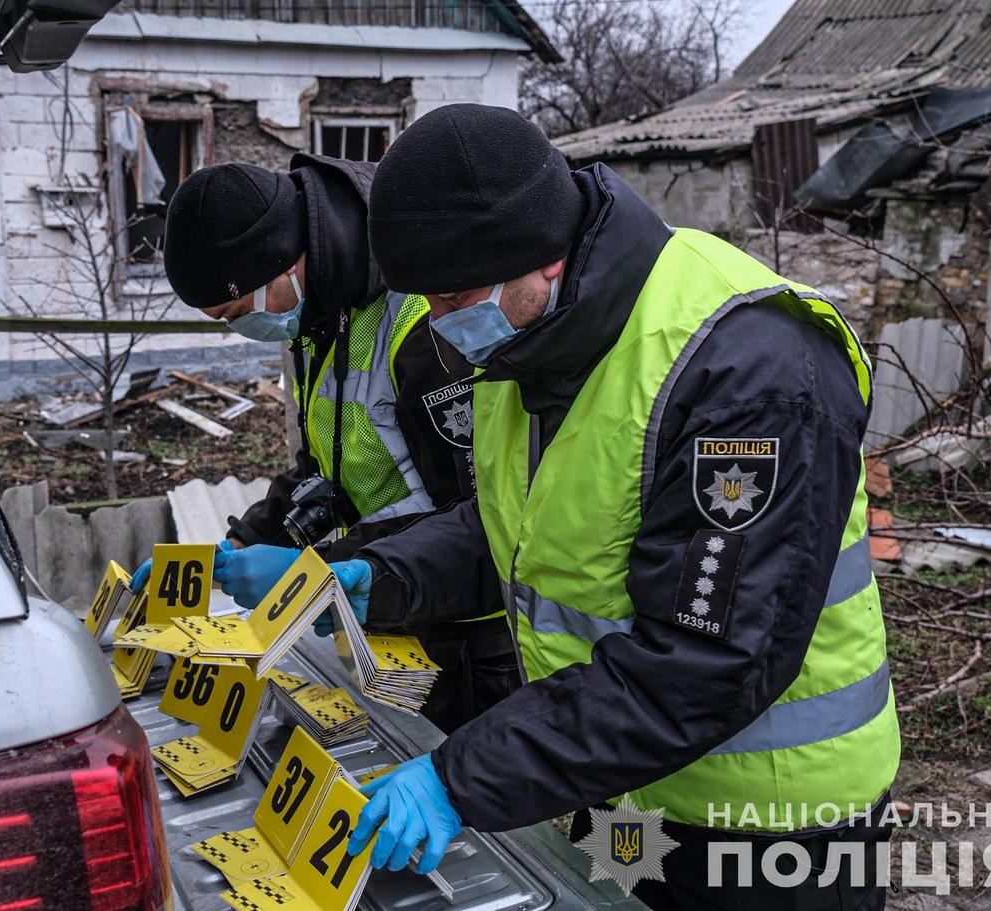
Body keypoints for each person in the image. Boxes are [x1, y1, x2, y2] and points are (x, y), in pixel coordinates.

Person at [334, 105, 900, 910]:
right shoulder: (529, 347)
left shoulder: (747, 367)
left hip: (773, 824)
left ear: (543, 258)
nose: (438, 321)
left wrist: (463, 773)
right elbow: (513, 527)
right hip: (623, 790)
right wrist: (379, 575)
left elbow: (706, 659)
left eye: (454, 293)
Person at [136, 154, 519, 733]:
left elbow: (486, 518)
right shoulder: (321, 315)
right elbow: (329, 468)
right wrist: (244, 541)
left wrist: (312, 570)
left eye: (238, 311)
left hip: (478, 636)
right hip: (391, 602)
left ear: (281, 265)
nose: (243, 328)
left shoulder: (424, 324)